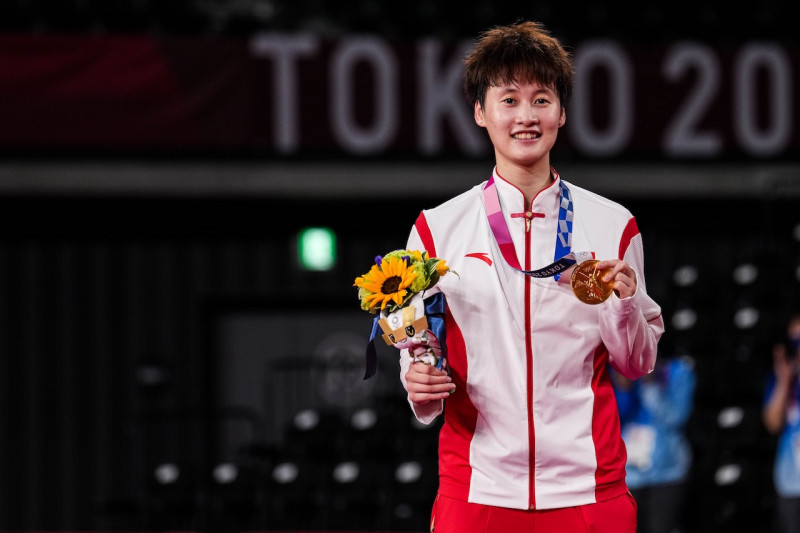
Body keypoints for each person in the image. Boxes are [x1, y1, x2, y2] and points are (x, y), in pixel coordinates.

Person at [397, 20, 665, 533]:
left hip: (589, 490)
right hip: (477, 490)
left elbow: (636, 362)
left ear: (562, 113)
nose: (526, 116)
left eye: (541, 100)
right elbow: (420, 353)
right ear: (480, 112)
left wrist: (625, 304)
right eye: (509, 100)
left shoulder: (613, 224)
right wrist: (419, 384)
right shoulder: (437, 230)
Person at [612, 355, 697, 533]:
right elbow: (613, 418)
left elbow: (676, 418)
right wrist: (624, 388)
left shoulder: (677, 370)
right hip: (628, 476)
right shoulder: (617, 370)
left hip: (667, 474)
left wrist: (651, 383)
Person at [763, 313, 800, 533]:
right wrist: (785, 381)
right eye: (793, 342)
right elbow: (773, 424)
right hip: (791, 484)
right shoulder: (780, 379)